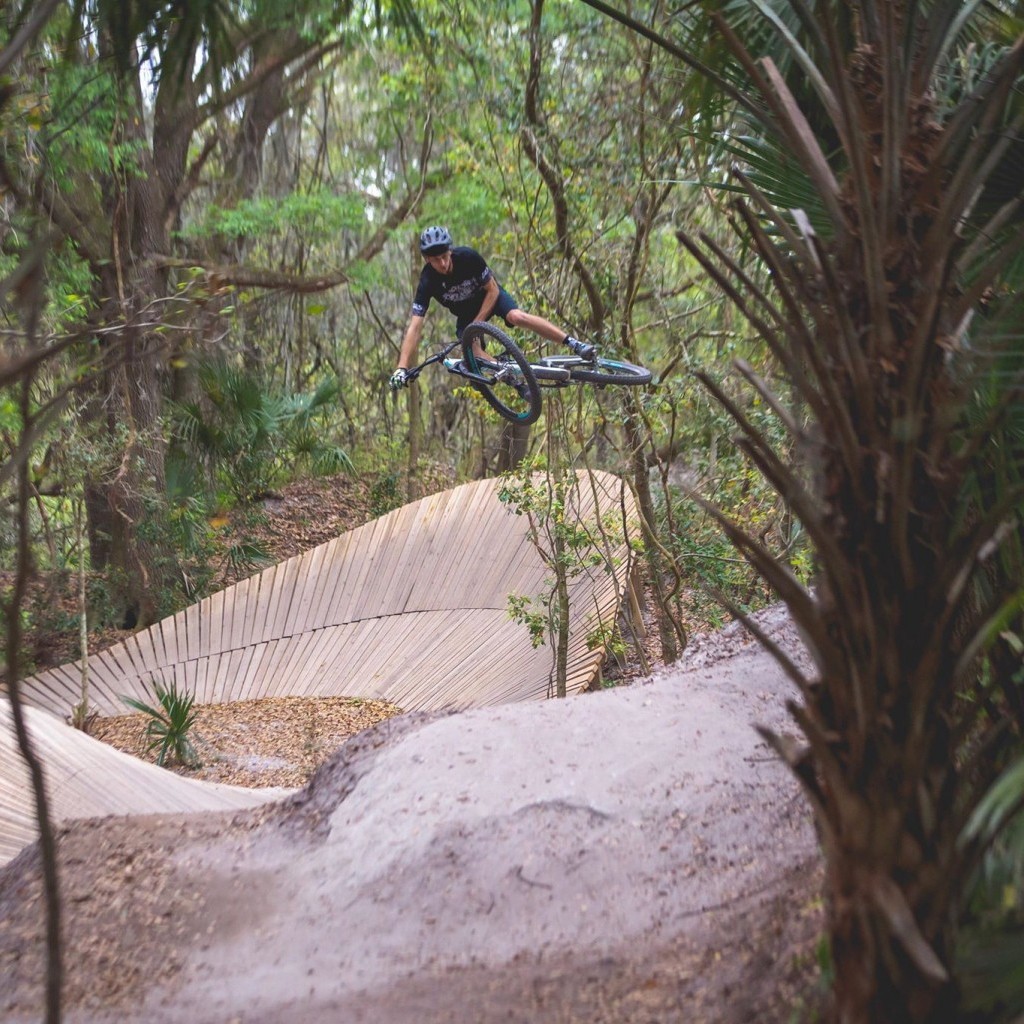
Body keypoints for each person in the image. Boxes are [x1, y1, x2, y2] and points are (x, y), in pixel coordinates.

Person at [389, 225, 594, 391]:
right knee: (472, 351)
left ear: (450, 251)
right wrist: (401, 368)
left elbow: (493, 290)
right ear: (427, 260)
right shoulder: (427, 281)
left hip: (490, 298)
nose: (442, 263)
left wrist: (478, 322)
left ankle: (574, 343)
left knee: (516, 316)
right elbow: (415, 327)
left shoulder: (468, 258)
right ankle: (511, 375)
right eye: (435, 260)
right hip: (466, 315)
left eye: (444, 256)